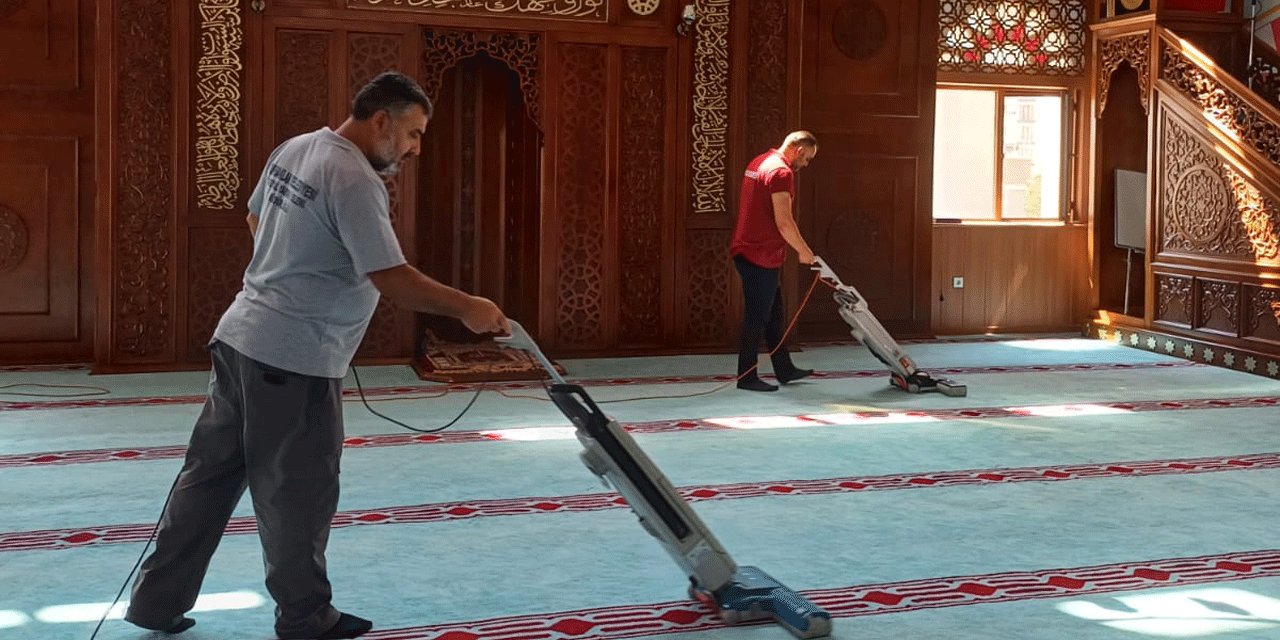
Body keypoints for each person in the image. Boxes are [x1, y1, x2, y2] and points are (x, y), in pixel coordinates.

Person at [122, 71, 509, 640]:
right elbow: (391, 277)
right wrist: (469, 307)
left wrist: (286, 271)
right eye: (414, 133)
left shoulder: (297, 147)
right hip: (293, 362)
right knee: (298, 496)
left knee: (205, 482)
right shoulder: (352, 176)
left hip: (239, 340)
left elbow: (256, 216)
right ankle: (305, 619)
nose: (415, 148)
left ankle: (156, 603)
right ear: (383, 121)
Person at [729, 131, 819, 392]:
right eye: (807, 159)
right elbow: (784, 221)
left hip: (751, 250)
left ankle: (784, 369)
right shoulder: (781, 172)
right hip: (758, 254)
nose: (806, 165)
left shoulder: (759, 162)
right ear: (799, 151)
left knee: (774, 314)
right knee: (756, 318)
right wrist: (803, 250)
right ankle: (746, 377)